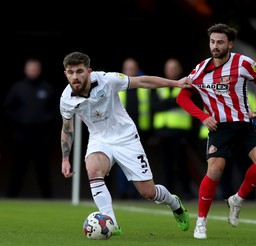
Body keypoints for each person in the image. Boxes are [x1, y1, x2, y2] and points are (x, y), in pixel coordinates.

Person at [59, 52, 191, 235]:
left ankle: (174, 204)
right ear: (65, 73)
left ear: (88, 72)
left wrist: (175, 83)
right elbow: (67, 128)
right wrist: (65, 159)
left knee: (148, 192)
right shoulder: (66, 99)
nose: (75, 76)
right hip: (100, 139)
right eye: (70, 72)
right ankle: (111, 223)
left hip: (126, 138)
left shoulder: (108, 80)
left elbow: (142, 81)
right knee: (93, 169)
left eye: (79, 71)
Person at [176, 23, 256, 239]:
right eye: (212, 42)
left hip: (245, 124)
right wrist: (204, 116)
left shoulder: (245, 63)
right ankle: (201, 222)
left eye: (220, 42)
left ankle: (237, 199)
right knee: (216, 171)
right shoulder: (200, 70)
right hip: (219, 127)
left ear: (230, 44)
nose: (215, 46)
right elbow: (181, 97)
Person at [4, 57, 59, 198]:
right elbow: (7, 108)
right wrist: (20, 121)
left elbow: (57, 109)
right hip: (22, 135)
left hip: (42, 136)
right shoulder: (18, 88)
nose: (33, 71)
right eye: (31, 68)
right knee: (18, 168)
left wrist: (45, 120)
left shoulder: (46, 88)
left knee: (43, 169)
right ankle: (11, 197)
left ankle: (48, 198)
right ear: (26, 69)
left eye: (36, 68)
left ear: (39, 70)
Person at [152, 58, 196, 200]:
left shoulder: (186, 85)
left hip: (179, 131)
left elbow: (181, 102)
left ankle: (186, 192)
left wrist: (164, 104)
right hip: (163, 132)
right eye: (168, 68)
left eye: (174, 68)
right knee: (166, 165)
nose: (171, 71)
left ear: (179, 70)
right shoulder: (160, 85)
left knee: (181, 163)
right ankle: (169, 194)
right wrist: (170, 103)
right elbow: (154, 105)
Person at [114, 57, 148, 199]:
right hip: (121, 131)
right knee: (121, 162)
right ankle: (123, 192)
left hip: (140, 130)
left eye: (132, 68)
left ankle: (136, 192)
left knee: (138, 162)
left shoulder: (143, 83)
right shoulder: (116, 84)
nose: (130, 71)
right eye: (127, 68)